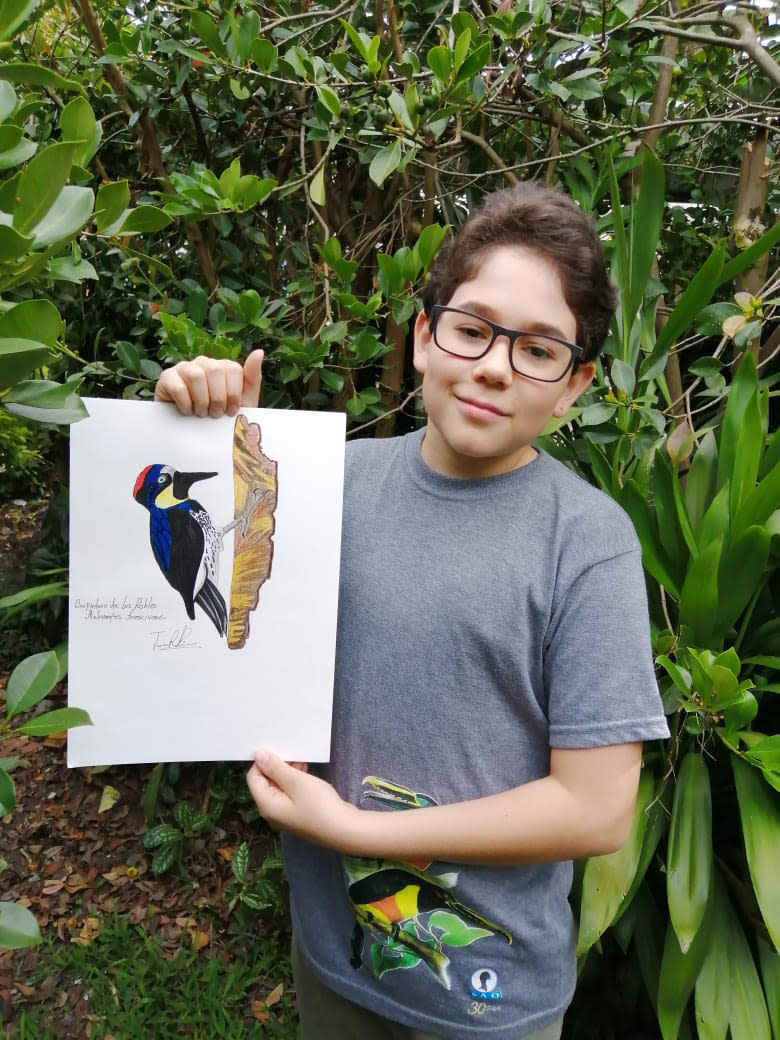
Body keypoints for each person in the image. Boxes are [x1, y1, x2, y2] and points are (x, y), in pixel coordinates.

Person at [155, 182, 669, 1040]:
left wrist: (360, 830)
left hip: (489, 994)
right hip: (334, 960)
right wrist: (203, 429)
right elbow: (225, 609)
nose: (496, 365)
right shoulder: (330, 486)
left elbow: (597, 809)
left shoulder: (586, 541)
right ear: (426, 338)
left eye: (539, 350)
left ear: (575, 385)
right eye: (474, 329)